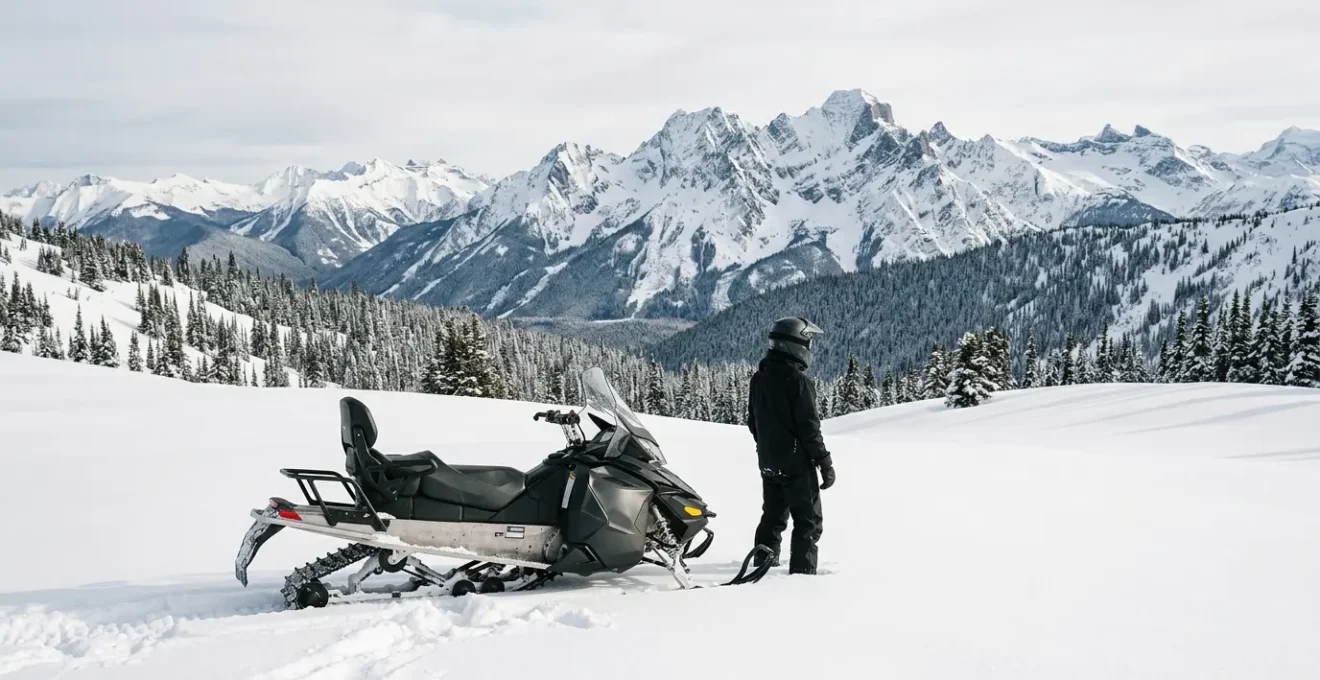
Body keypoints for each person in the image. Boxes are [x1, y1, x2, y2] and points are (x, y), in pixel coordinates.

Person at [746, 316, 836, 575]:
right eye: (807, 341)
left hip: (768, 463)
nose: (810, 347)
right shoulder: (798, 382)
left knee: (772, 518)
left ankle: (762, 566)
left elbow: (753, 422)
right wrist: (825, 462)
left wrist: (769, 448)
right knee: (808, 523)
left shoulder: (758, 378)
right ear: (795, 344)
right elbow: (809, 429)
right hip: (796, 464)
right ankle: (802, 577)